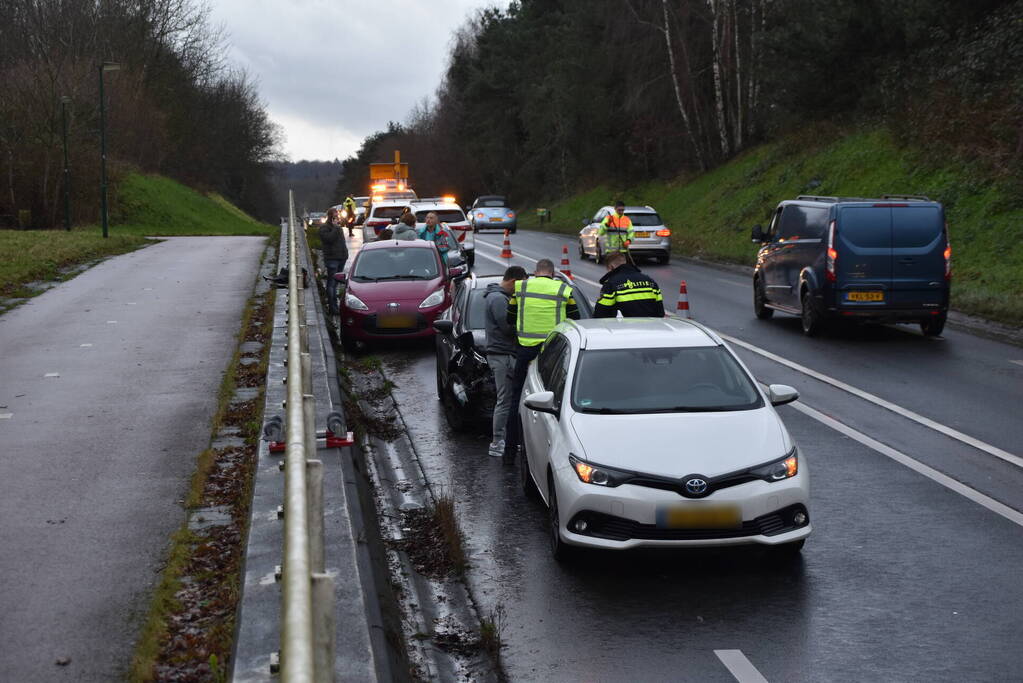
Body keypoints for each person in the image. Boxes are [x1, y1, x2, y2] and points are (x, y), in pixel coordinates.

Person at [503, 259, 580, 458]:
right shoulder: (563, 290)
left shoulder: (521, 288)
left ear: (535, 272)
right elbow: (576, 318)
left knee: (517, 397)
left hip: (526, 350)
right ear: (552, 274)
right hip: (553, 352)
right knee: (555, 401)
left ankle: (509, 453)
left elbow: (510, 318)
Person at [484, 265, 528, 457]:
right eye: (521, 285)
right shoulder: (498, 299)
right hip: (501, 355)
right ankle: (497, 442)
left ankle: (507, 439)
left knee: (508, 399)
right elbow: (508, 327)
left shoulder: (498, 297)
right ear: (513, 281)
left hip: (503, 353)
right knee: (505, 399)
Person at [593, 251, 665, 318]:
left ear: (611, 267)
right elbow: (660, 312)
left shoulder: (611, 284)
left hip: (626, 327)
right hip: (651, 326)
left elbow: (600, 313)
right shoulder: (650, 281)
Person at [319, 208, 349, 315]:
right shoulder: (324, 228)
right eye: (335, 216)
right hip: (332, 258)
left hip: (341, 257)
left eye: (338, 216)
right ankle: (333, 307)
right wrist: (336, 228)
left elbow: (341, 242)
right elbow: (329, 239)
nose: (337, 218)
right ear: (331, 217)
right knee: (331, 283)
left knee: (336, 284)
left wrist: (345, 254)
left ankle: (336, 305)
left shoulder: (338, 227)